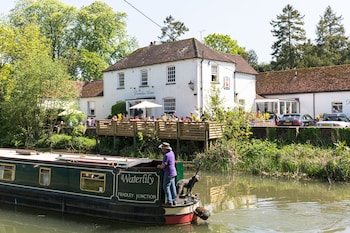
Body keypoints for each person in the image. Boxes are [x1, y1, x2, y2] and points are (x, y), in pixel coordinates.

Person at [157, 142, 177, 206]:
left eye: (162, 148)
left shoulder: (166, 155)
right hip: (173, 172)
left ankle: (169, 201)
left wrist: (158, 166)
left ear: (165, 149)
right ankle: (174, 200)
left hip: (168, 173)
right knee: (172, 186)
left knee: (166, 186)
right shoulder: (172, 153)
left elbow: (163, 166)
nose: (161, 150)